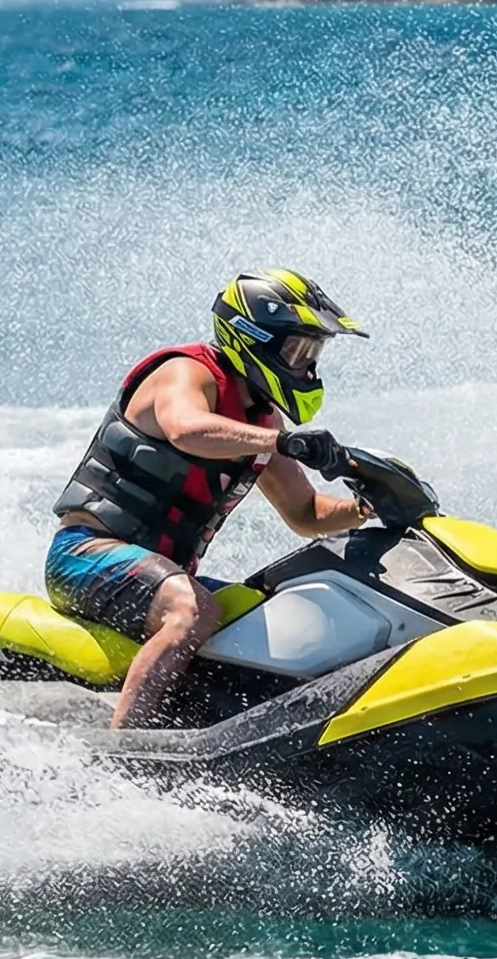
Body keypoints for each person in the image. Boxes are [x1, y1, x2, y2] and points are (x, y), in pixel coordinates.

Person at [47, 270, 374, 727]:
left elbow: (306, 512)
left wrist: (364, 507)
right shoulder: (187, 372)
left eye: (313, 353)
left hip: (161, 576)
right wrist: (281, 443)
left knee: (271, 608)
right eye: (298, 350)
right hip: (85, 556)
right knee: (194, 610)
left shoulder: (262, 421)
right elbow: (186, 428)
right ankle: (123, 747)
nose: (306, 366)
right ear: (253, 338)